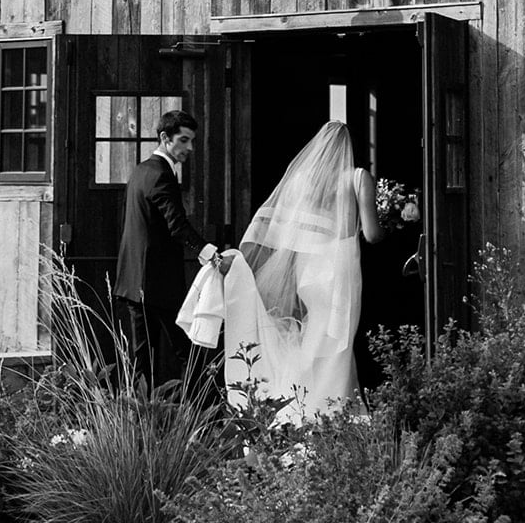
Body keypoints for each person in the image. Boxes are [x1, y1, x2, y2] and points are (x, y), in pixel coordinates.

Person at [216, 120, 382, 422]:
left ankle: (302, 404)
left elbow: (288, 236)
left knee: (314, 335)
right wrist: (388, 225)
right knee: (338, 342)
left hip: (309, 269)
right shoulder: (358, 177)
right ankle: (334, 409)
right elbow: (371, 234)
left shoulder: (303, 179)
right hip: (340, 269)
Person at [114, 107, 227, 387]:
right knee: (187, 350)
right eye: (184, 140)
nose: (189, 148)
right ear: (165, 138)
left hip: (134, 282)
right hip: (156, 284)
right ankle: (200, 418)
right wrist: (210, 254)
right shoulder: (162, 175)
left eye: (192, 141)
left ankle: (140, 421)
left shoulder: (141, 171)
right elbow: (176, 225)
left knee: (142, 360)